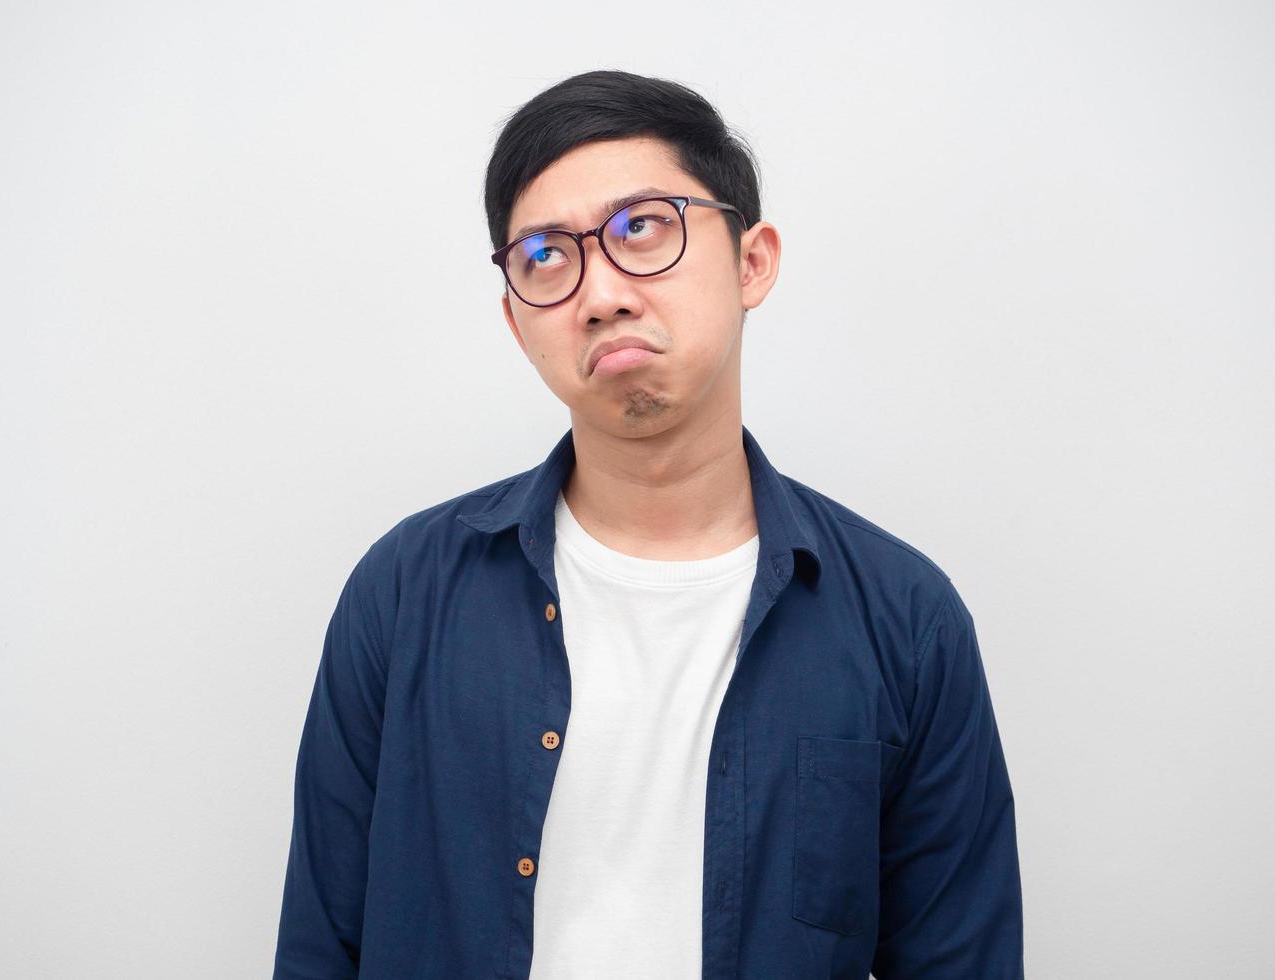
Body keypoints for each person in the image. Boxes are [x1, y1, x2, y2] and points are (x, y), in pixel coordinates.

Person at [272, 69, 1024, 980]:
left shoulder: (904, 620)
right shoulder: (403, 592)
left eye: (642, 230)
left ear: (752, 261)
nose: (600, 294)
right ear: (516, 321)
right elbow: (319, 947)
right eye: (545, 256)